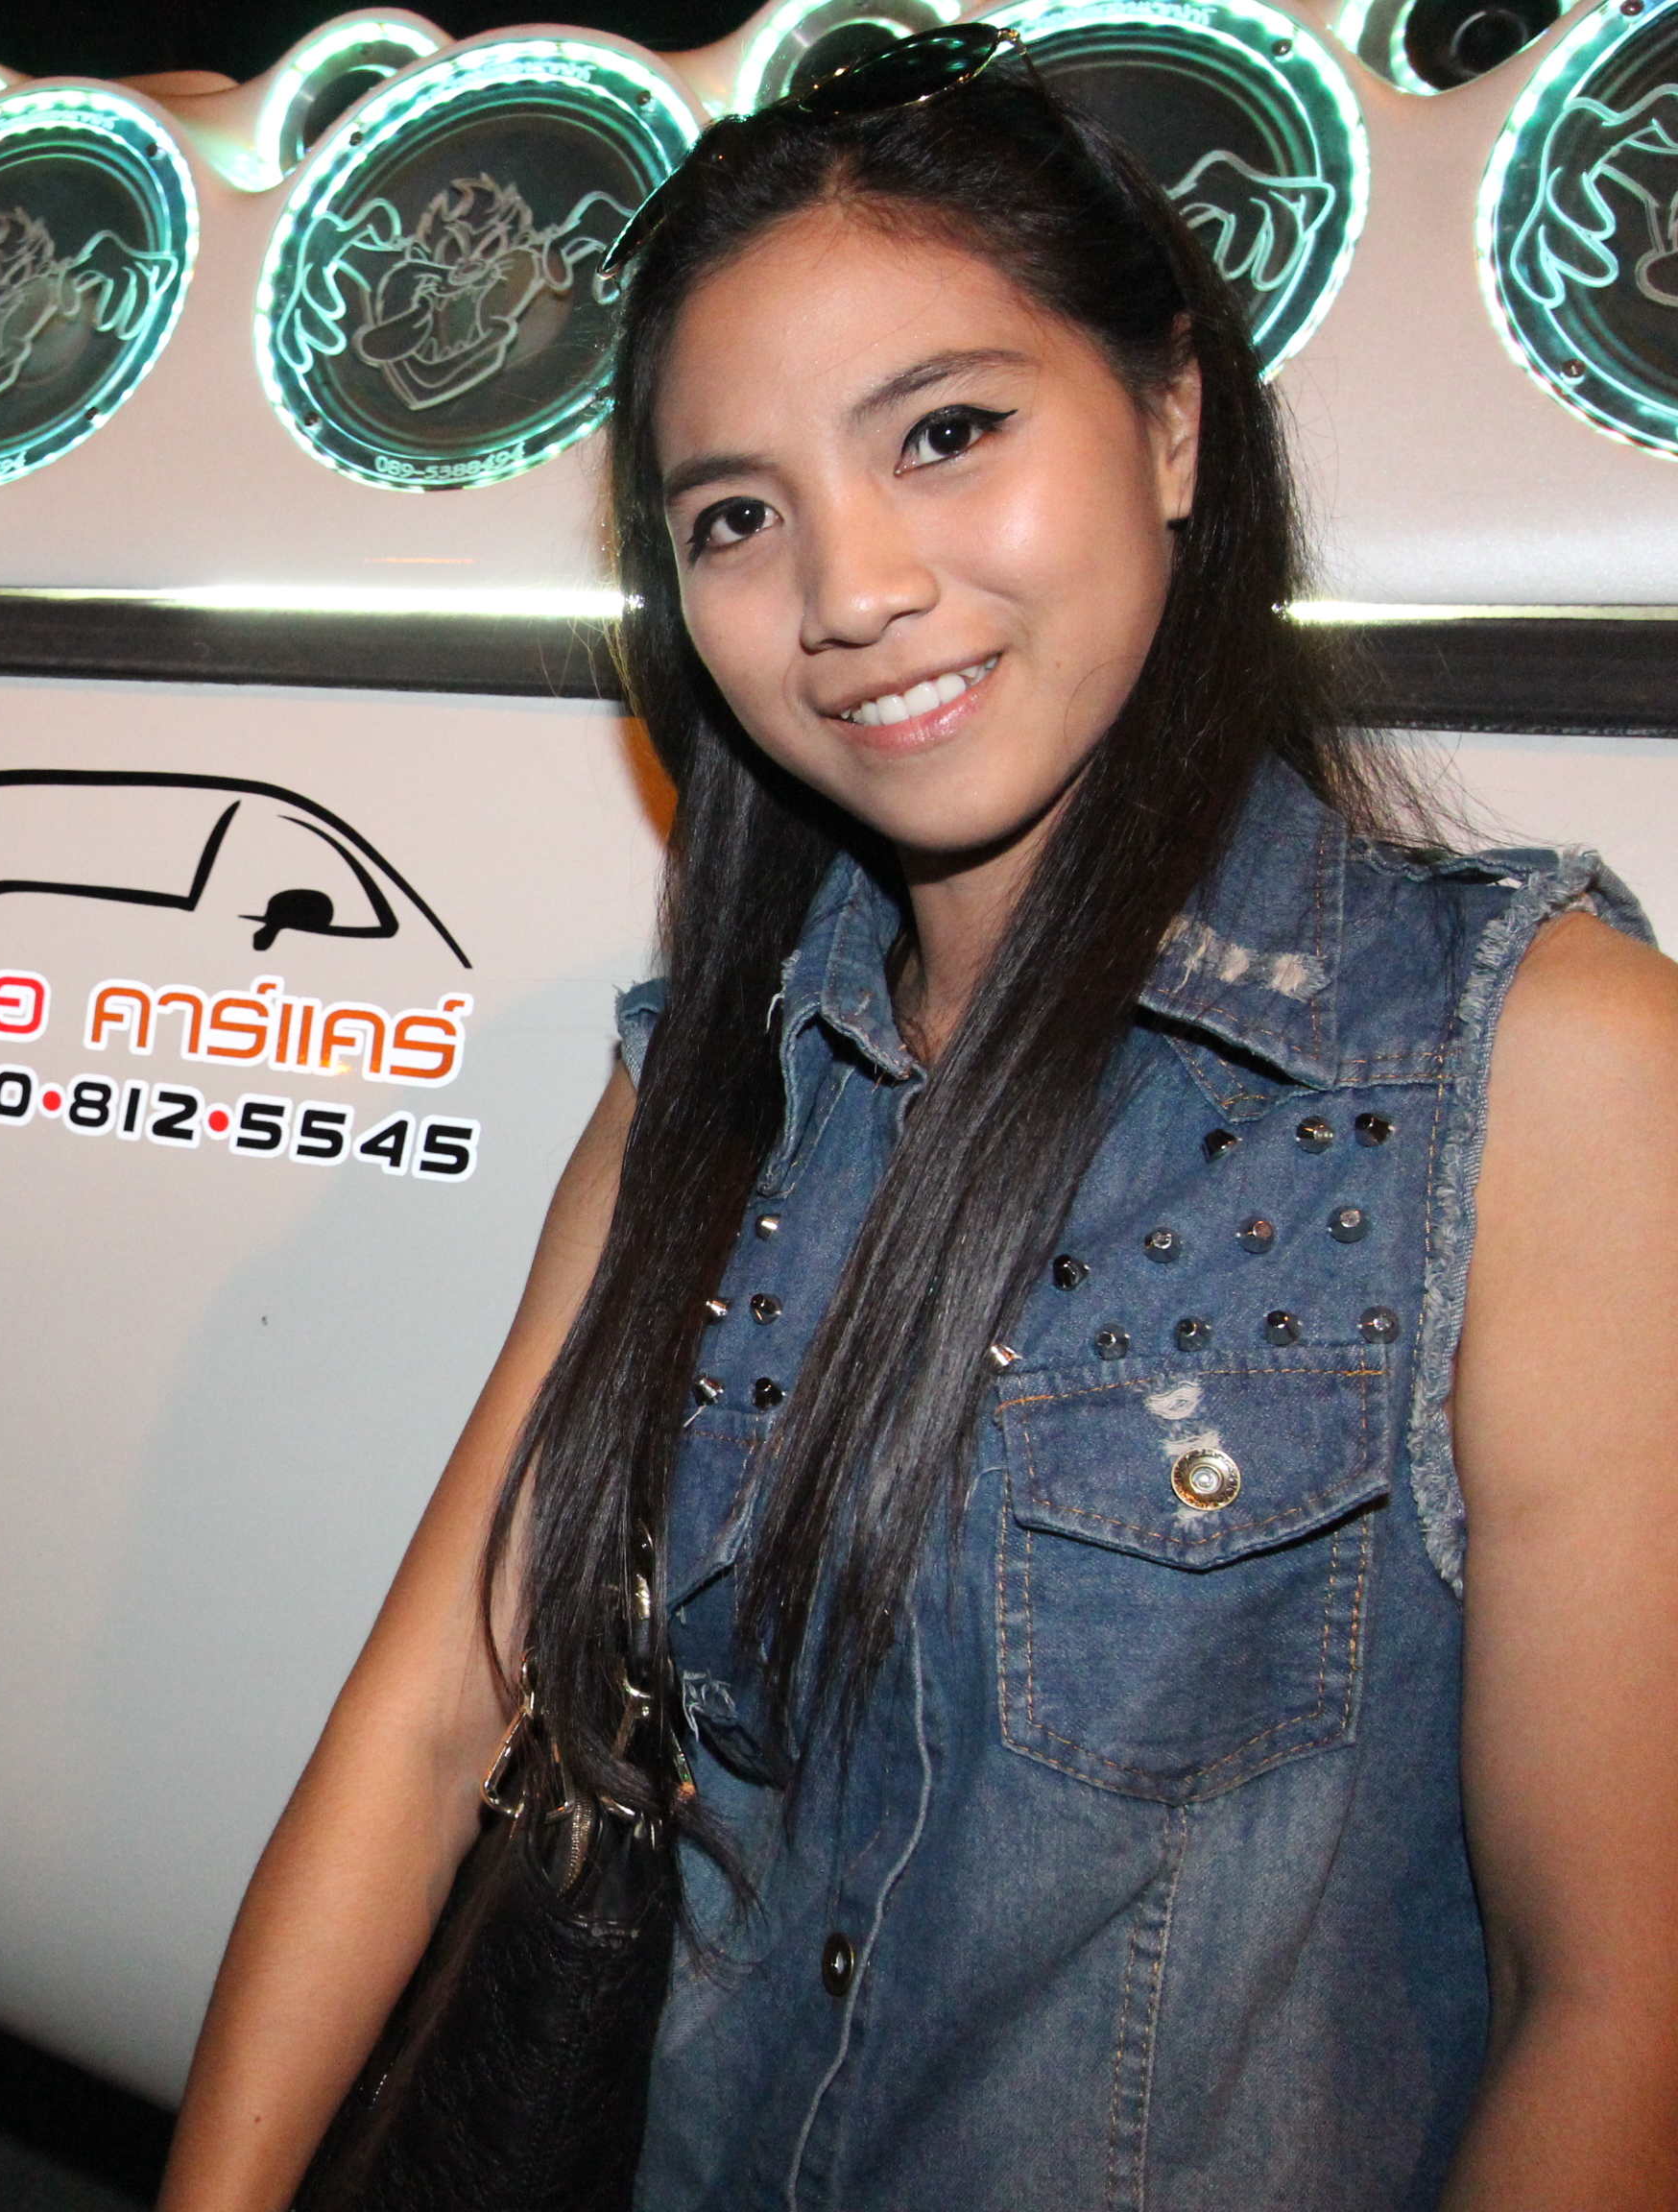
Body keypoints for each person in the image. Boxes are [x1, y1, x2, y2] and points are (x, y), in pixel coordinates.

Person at [161, 35, 1678, 2210]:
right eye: (736, 515)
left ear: (1169, 421)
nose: (848, 585)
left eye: (946, 432)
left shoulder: (1529, 1063)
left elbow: (1612, 2002)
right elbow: (419, 1734)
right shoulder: (703, 1094)